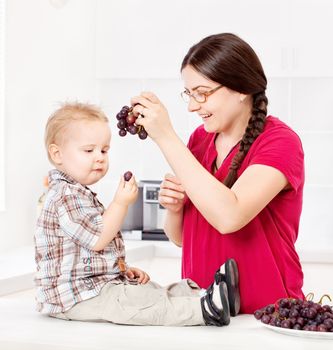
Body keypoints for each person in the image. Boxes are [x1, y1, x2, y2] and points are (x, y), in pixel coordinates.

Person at [130, 33, 305, 314]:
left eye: (203, 92)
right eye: (189, 93)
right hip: (201, 309)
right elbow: (182, 239)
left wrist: (165, 137)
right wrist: (174, 209)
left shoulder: (280, 142)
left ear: (241, 89)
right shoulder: (199, 140)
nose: (192, 106)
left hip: (267, 314)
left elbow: (229, 217)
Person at [34, 101, 239, 327]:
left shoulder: (77, 193)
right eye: (89, 150)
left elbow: (88, 256)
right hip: (74, 297)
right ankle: (205, 310)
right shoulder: (64, 196)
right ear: (57, 154)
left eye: (104, 150)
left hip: (93, 288)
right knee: (134, 304)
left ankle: (203, 294)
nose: (100, 157)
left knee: (147, 292)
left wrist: (120, 270)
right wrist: (120, 203)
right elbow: (98, 239)